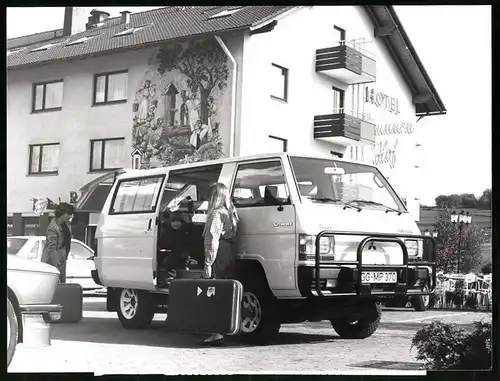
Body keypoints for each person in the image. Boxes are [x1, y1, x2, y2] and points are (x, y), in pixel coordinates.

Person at [202, 183, 239, 345]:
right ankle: (227, 327)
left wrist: (208, 262)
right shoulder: (231, 213)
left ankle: (216, 332)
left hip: (219, 251)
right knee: (226, 291)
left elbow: (212, 239)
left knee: (214, 290)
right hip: (229, 251)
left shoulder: (216, 214)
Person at [40, 203, 74, 283]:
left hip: (61, 255)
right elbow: (52, 248)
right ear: (62, 214)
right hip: (53, 259)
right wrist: (56, 265)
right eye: (69, 214)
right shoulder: (53, 228)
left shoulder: (66, 224)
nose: (70, 216)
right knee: (54, 283)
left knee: (61, 283)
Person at [158, 211, 192, 281]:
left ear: (182, 222)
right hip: (172, 253)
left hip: (182, 254)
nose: (175, 224)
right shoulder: (168, 232)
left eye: (177, 221)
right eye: (173, 221)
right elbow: (164, 243)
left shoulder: (185, 232)